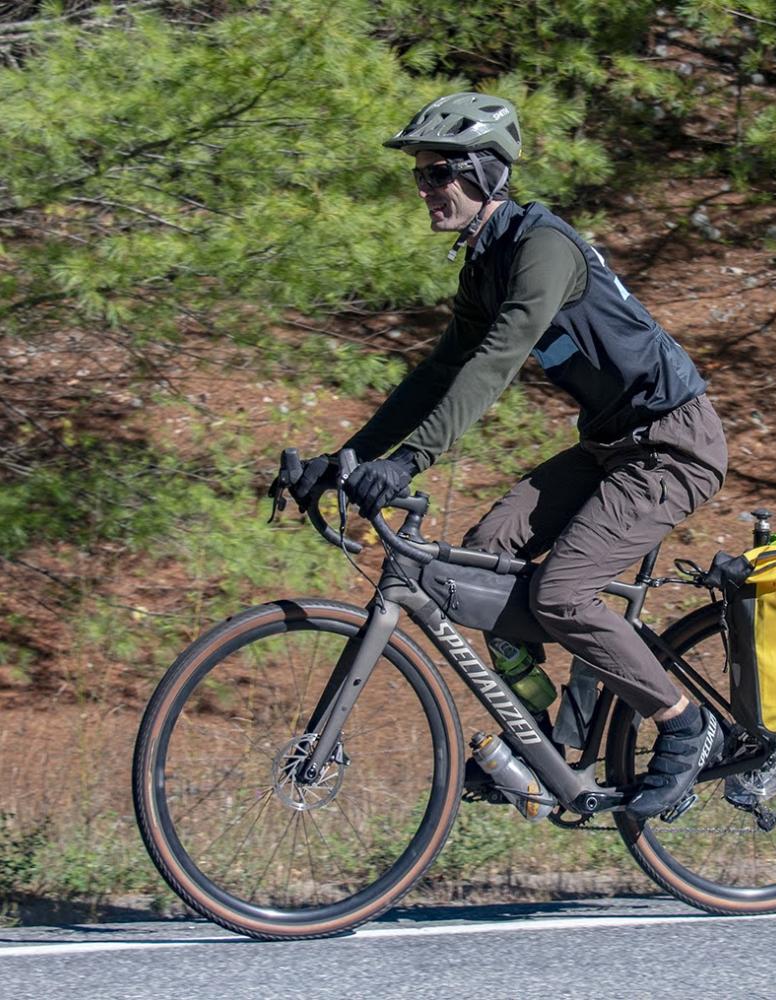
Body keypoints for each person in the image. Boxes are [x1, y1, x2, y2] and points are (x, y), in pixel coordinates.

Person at [287, 93, 728, 820]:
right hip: (610, 445)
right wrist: (347, 458)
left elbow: (495, 361)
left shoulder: (542, 250)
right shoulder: (484, 266)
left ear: (488, 174)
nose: (426, 191)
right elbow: (434, 374)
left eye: (440, 175)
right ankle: (548, 736)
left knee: (560, 594)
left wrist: (409, 462)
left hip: (674, 445)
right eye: (421, 177)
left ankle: (685, 723)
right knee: (484, 554)